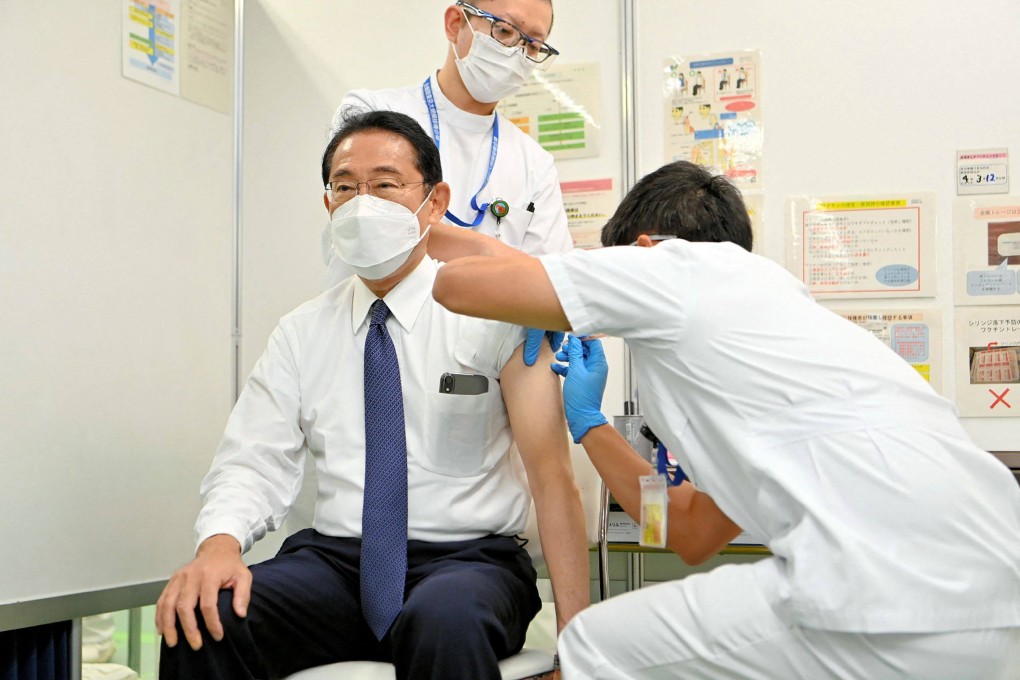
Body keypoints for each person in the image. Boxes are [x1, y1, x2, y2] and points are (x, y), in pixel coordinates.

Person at [432, 160, 1020, 678]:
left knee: (593, 646)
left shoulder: (674, 267)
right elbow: (687, 531)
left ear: (639, 249)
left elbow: (457, 287)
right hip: (995, 594)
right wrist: (591, 425)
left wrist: (422, 241)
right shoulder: (779, 325)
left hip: (881, 588)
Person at [156, 110, 589, 680]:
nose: (364, 202)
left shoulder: (493, 316)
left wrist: (577, 642)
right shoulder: (301, 331)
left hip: (467, 564)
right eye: (345, 186)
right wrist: (219, 545)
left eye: (386, 185)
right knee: (202, 617)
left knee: (443, 621)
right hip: (336, 563)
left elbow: (551, 477)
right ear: (329, 204)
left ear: (434, 203)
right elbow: (252, 458)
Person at [323, 1, 572, 300]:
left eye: (533, 46)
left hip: (480, 342)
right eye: (504, 31)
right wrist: (490, 251)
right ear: (455, 24)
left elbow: (544, 276)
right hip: (367, 328)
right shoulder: (371, 113)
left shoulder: (534, 162)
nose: (517, 53)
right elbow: (371, 224)